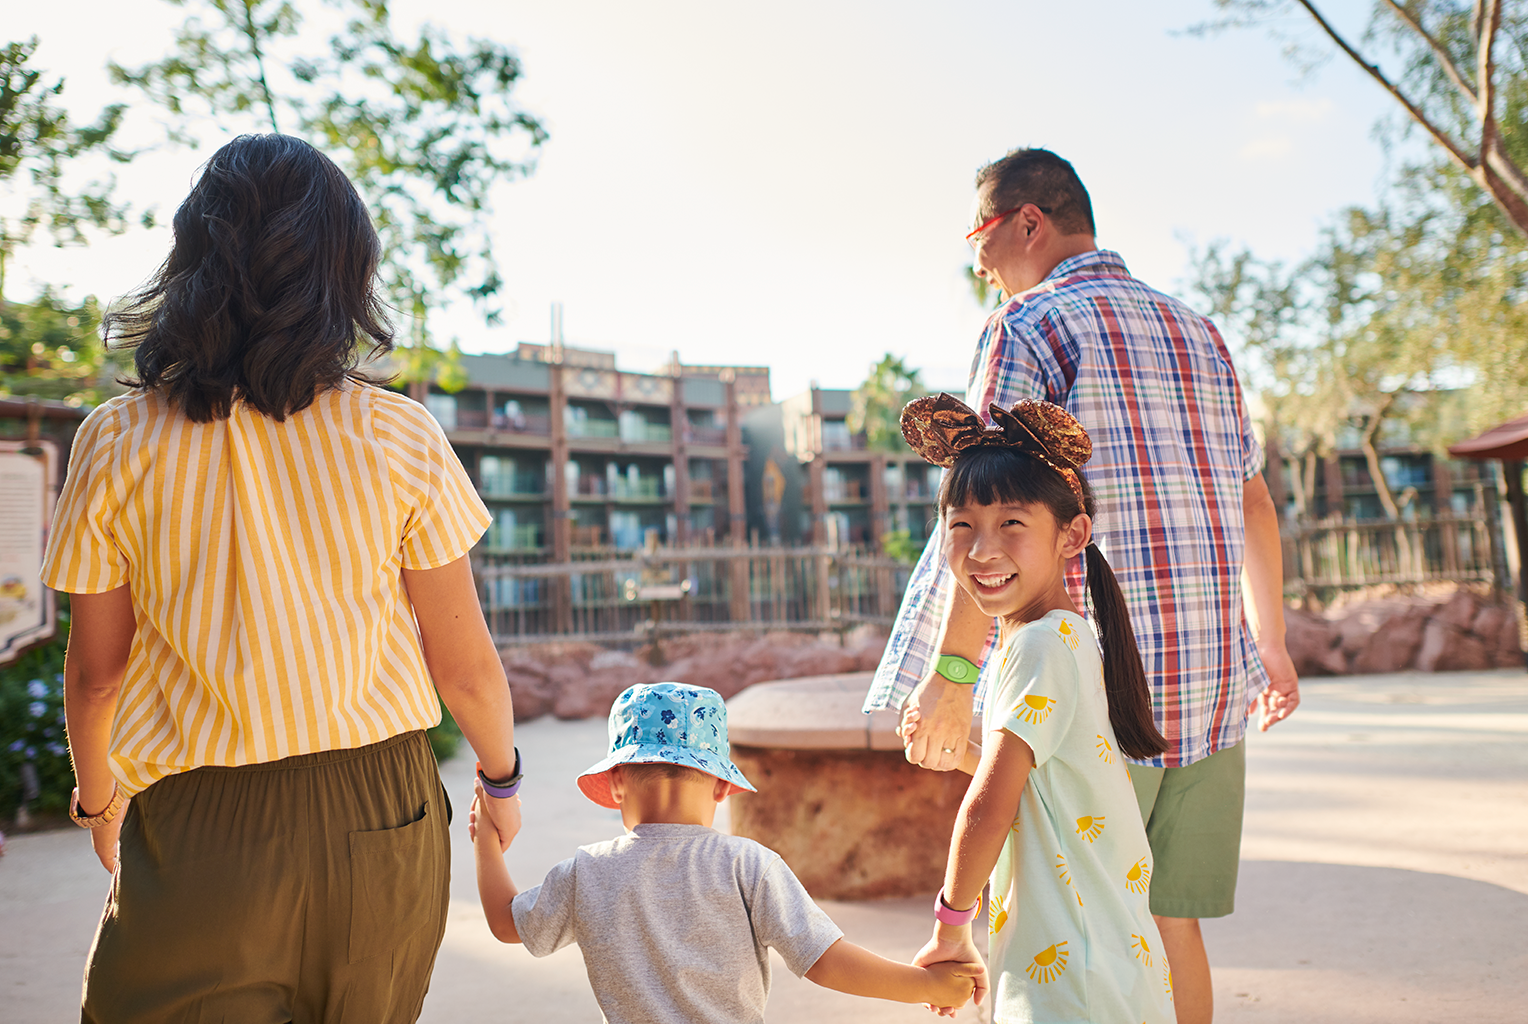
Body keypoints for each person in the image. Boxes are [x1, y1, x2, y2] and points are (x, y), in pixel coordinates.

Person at [44, 133, 521, 1024]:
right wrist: (501, 784)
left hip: (200, 824)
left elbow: (96, 673)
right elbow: (464, 667)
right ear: (344, 271)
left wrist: (100, 803)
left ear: (193, 261)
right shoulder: (399, 435)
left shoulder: (116, 440)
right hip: (387, 813)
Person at [868, 147, 1300, 1024]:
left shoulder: (1027, 325)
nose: (976, 262)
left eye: (978, 236)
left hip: (1097, 693)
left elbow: (987, 510)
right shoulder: (1199, 329)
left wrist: (953, 680)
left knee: (1053, 925)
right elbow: (1253, 500)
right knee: (1172, 928)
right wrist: (1272, 645)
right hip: (1213, 685)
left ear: (1029, 221)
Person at [469, 682, 984, 1023]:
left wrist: (487, 845)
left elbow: (506, 923)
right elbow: (826, 963)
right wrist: (926, 985)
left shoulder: (587, 872)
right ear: (720, 786)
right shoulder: (749, 865)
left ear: (618, 781)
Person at [896, 395, 1175, 1023]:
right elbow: (1040, 787)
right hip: (1105, 955)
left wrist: (950, 925)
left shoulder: (1040, 644)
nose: (981, 551)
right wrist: (963, 754)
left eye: (1012, 525)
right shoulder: (1063, 637)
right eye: (961, 526)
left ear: (1071, 534)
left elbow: (990, 807)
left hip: (1069, 965)